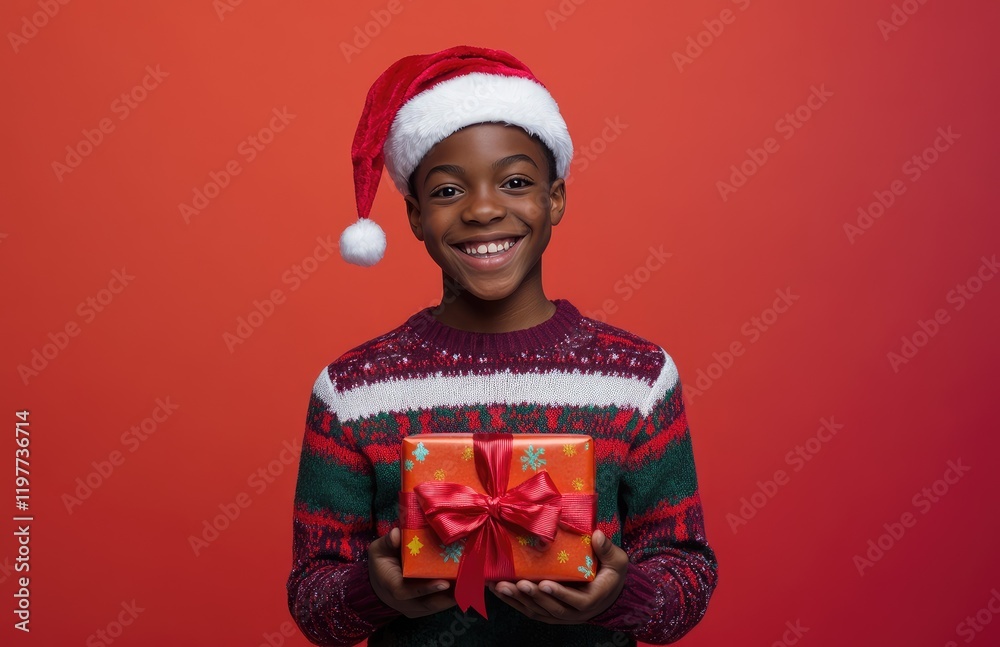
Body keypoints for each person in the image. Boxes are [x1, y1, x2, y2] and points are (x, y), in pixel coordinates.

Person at [285, 45, 718, 646]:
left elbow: (687, 576)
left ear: (555, 198)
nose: (484, 209)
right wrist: (373, 589)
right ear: (413, 216)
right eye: (446, 192)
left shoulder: (638, 378)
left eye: (514, 182)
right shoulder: (353, 390)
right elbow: (312, 602)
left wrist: (620, 596)